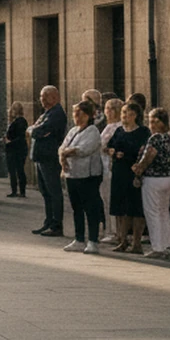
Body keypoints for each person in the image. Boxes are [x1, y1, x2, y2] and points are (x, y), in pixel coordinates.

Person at [132, 108, 170, 259]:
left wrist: (139, 169)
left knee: (152, 212)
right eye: (150, 121)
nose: (151, 125)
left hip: (154, 178)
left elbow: (149, 156)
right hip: (169, 177)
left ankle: (158, 247)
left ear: (162, 122)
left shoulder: (155, 138)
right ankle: (167, 244)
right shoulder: (169, 137)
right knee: (163, 211)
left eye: (154, 121)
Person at [58, 98, 103, 253]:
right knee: (76, 207)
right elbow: (62, 146)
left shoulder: (93, 131)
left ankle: (93, 240)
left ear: (87, 115)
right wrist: (63, 156)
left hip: (87, 175)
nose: (76, 116)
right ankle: (79, 238)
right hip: (72, 174)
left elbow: (84, 149)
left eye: (79, 113)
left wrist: (67, 152)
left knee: (90, 207)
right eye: (74, 113)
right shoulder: (73, 131)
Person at [108, 101, 150, 253]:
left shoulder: (143, 132)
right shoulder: (119, 130)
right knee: (121, 207)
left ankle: (136, 243)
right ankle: (122, 240)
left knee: (135, 207)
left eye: (129, 113)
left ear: (136, 116)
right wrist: (113, 152)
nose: (125, 116)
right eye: (124, 112)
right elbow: (110, 146)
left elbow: (144, 150)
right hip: (119, 171)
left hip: (133, 171)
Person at [29, 85, 67, 237]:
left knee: (53, 191)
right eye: (41, 96)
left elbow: (39, 130)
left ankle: (56, 224)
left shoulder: (57, 114)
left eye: (45, 96)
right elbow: (36, 129)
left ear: (55, 97)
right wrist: (35, 130)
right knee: (45, 191)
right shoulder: (47, 113)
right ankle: (49, 221)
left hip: (49, 157)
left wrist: (34, 130)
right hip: (41, 157)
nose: (42, 99)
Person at [98, 96, 122, 240]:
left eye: (110, 109)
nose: (107, 111)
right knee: (105, 199)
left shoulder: (118, 127)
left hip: (110, 165)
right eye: (106, 108)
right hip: (103, 165)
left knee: (111, 199)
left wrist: (106, 149)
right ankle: (109, 229)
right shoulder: (108, 126)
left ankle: (114, 231)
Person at [3, 101, 28, 198]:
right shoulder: (18, 121)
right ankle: (19, 190)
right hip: (17, 149)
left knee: (16, 170)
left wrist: (9, 142)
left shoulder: (20, 121)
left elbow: (20, 137)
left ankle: (18, 190)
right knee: (18, 170)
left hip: (16, 149)